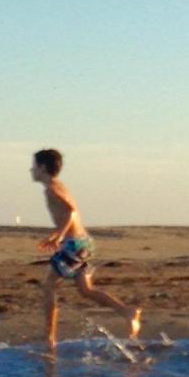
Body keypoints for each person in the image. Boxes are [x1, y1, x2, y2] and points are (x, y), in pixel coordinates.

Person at [30, 148, 141, 353]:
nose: (31, 170)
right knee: (85, 290)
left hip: (75, 244)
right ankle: (127, 311)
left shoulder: (52, 188)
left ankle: (50, 339)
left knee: (48, 286)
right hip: (83, 243)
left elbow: (71, 211)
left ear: (43, 167)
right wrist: (57, 234)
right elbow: (67, 215)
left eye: (34, 166)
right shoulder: (57, 186)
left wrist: (61, 235)